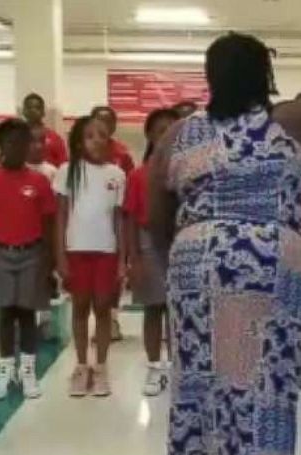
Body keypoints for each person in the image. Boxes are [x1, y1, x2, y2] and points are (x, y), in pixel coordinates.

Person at [148, 33, 301, 454]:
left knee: (202, 380)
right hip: (270, 263)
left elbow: (157, 214)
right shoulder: (291, 121)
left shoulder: (180, 133)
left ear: (210, 76)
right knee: (264, 382)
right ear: (265, 74)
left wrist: (179, 260)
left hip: (196, 265)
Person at [0, 118, 56, 400]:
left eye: (24, 142)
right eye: (11, 143)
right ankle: (6, 368)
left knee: (27, 313)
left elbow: (48, 224)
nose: (18, 148)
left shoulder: (39, 181)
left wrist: (49, 259)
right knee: (6, 312)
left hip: (31, 254)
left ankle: (28, 369)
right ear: (1, 146)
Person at [54, 116, 126, 397]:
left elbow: (119, 221)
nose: (97, 140)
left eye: (103, 135)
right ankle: (82, 365)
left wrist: (121, 260)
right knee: (80, 307)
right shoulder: (67, 170)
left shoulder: (116, 174)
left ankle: (101, 366)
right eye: (90, 135)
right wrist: (60, 256)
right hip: (76, 251)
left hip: (106, 251)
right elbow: (60, 218)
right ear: (79, 142)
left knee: (103, 308)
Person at [124, 108, 179, 396]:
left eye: (172, 131)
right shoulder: (138, 176)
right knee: (153, 308)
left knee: (177, 310)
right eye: (160, 132)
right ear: (149, 136)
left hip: (179, 242)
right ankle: (155, 367)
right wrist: (133, 257)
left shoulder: (185, 174)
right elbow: (130, 219)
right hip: (148, 243)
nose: (166, 137)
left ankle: (175, 366)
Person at [91, 105, 134, 342]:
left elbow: (128, 191)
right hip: (89, 224)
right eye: (99, 121)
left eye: (108, 122)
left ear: (115, 126)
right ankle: (99, 322)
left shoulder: (122, 154)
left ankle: (113, 319)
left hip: (115, 220)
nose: (103, 126)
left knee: (114, 274)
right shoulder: (82, 152)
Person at [27, 124, 58, 341]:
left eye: (41, 141)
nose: (37, 146)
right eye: (32, 141)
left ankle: (46, 320)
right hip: (23, 234)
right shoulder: (16, 170)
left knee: (45, 278)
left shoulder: (52, 172)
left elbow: (56, 208)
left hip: (45, 234)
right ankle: (24, 322)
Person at [22, 93, 68, 167]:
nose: (33, 110)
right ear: (23, 111)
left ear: (43, 112)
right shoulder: (16, 138)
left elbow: (63, 166)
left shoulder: (55, 138)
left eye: (37, 107)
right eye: (29, 107)